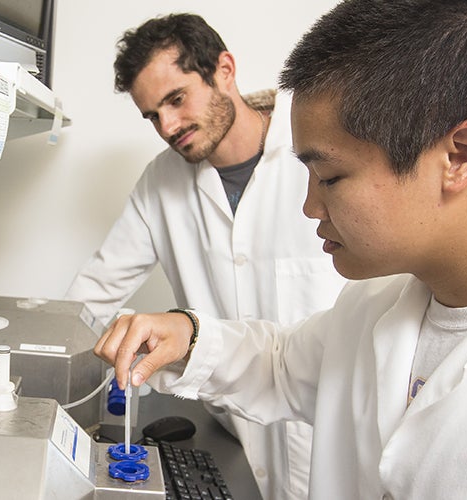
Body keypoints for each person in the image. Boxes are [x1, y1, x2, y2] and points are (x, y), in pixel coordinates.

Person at [94, 0, 467, 497]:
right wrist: (188, 333)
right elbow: (284, 364)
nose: (309, 206)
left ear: (459, 156)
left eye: (329, 177)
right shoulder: (376, 304)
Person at [65, 13, 345, 500]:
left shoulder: (322, 156)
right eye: (152, 115)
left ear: (225, 71)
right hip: (233, 436)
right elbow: (90, 298)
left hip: (329, 440)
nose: (168, 126)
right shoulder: (161, 182)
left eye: (176, 99)